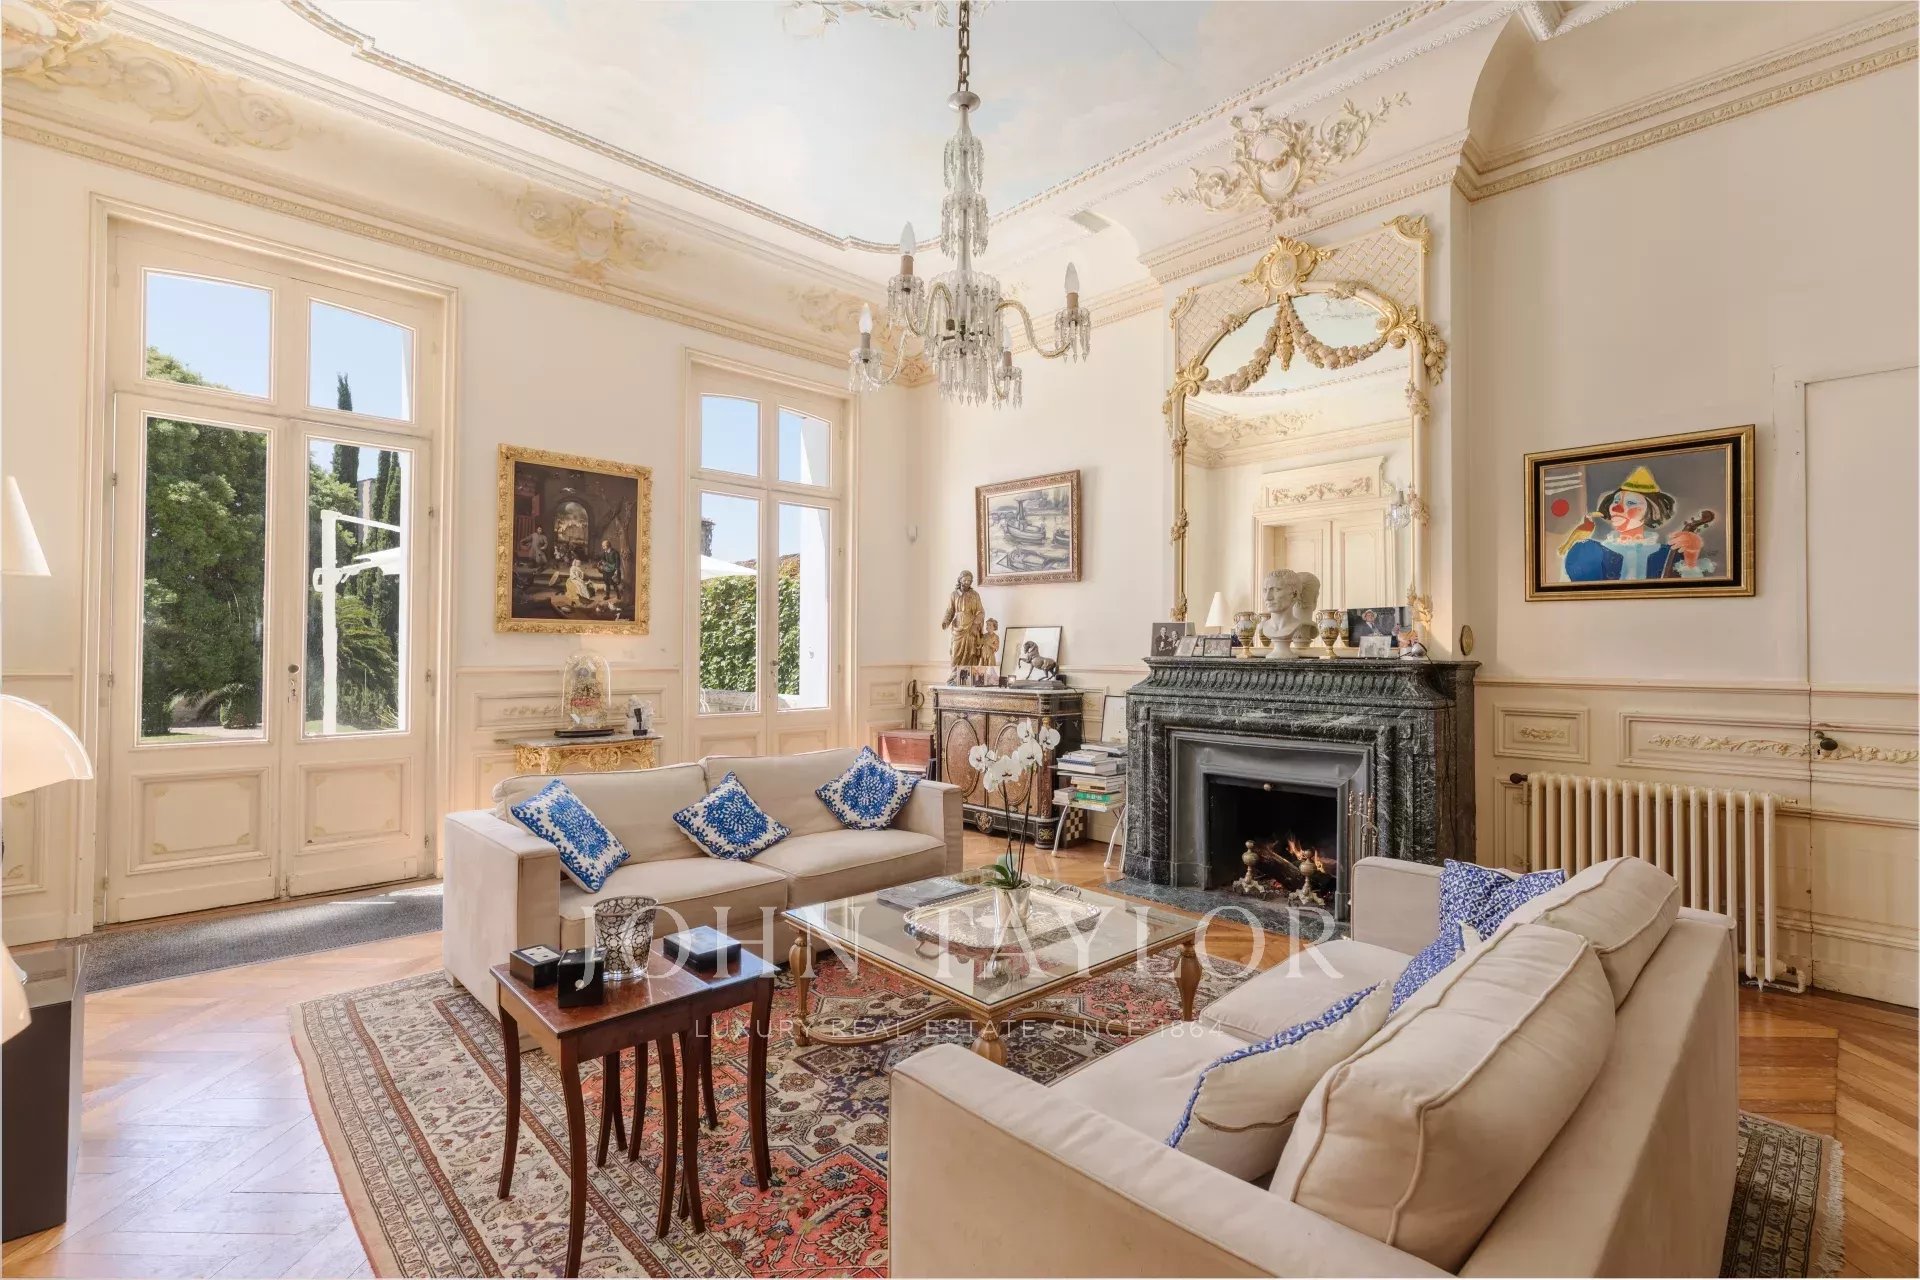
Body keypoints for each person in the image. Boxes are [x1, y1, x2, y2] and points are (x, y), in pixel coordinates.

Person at [1560, 465, 1685, 582]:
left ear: (1653, 511)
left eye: (1631, 503)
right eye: (1616, 501)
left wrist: (1690, 555)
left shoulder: (1668, 554)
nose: (1616, 508)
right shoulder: (1589, 551)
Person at [939, 569, 986, 672]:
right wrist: (946, 621)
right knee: (955, 653)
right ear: (960, 580)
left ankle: (969, 675)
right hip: (958, 627)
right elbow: (950, 610)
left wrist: (975, 624)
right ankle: (955, 675)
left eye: (969, 580)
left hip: (971, 626)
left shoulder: (975, 595)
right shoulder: (954, 595)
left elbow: (980, 612)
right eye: (965, 580)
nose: (967, 582)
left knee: (970, 652)